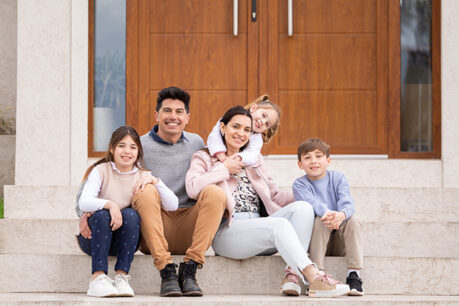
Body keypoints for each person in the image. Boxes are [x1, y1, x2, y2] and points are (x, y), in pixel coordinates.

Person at [186, 106, 350, 298]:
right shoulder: (204, 157)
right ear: (222, 127)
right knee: (278, 224)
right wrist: (223, 168)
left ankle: (292, 275)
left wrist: (311, 195)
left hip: (260, 229)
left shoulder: (254, 160)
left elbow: (275, 196)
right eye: (235, 127)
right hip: (227, 232)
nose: (241, 133)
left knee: (304, 207)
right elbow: (192, 188)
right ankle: (314, 276)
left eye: (247, 130)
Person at [131, 86, 227, 297]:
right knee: (144, 190)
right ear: (157, 115)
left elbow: (235, 132)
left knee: (215, 192)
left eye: (179, 112)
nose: (172, 117)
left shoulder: (197, 143)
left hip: (190, 229)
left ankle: (190, 268)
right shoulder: (138, 145)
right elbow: (116, 177)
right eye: (167, 111)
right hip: (155, 227)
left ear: (187, 117)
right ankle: (166, 271)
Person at [76, 126, 178, 297]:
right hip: (93, 238)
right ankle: (97, 277)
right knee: (102, 214)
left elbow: (173, 205)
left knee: (131, 215)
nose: (127, 151)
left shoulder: (142, 175)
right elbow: (84, 202)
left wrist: (154, 181)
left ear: (138, 151)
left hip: (124, 240)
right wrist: (110, 205)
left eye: (133, 147)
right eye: (122, 146)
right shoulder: (101, 170)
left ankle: (121, 277)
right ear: (112, 148)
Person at [292, 138, 364, 296]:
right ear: (300, 164)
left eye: (319, 156)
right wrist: (328, 214)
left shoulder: (338, 178)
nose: (314, 161)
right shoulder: (299, 184)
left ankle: (354, 274)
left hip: (339, 239)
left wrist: (341, 215)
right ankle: (318, 275)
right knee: (320, 219)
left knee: (353, 220)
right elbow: (313, 203)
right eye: (307, 157)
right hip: (317, 240)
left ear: (328, 160)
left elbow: (347, 203)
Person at [207, 95, 280, 166]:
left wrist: (238, 158)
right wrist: (221, 156)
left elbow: (252, 154)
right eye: (263, 115)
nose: (263, 122)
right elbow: (214, 137)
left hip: (235, 162)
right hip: (218, 157)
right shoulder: (232, 117)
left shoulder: (257, 138)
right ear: (253, 108)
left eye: (267, 124)